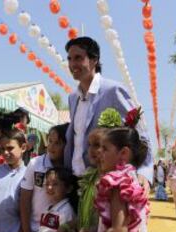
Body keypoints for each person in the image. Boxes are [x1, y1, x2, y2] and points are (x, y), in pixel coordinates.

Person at [63, 36, 153, 191]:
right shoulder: (73, 98)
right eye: (70, 59)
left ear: (94, 60)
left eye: (78, 58)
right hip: (75, 182)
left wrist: (144, 171)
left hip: (104, 182)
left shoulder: (113, 90)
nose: (72, 64)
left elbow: (140, 134)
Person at [85, 127, 148, 232]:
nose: (99, 152)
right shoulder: (131, 179)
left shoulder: (117, 183)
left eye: (105, 149)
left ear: (123, 153)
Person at [20, 124, 69, 232]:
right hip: (34, 230)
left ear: (67, 145)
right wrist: (26, 231)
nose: (51, 146)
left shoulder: (70, 168)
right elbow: (24, 199)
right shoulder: (35, 164)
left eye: (57, 143)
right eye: (50, 141)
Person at [37, 167, 77, 232]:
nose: (49, 187)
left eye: (55, 184)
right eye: (47, 183)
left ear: (68, 188)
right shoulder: (48, 208)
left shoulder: (66, 212)